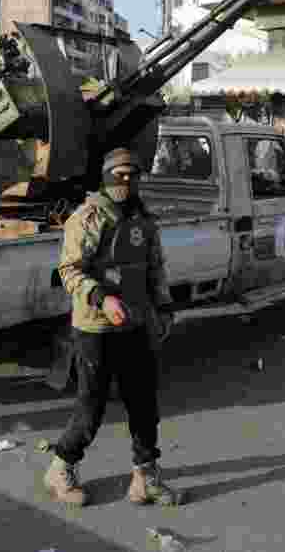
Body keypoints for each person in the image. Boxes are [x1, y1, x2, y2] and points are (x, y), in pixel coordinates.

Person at [44, 148, 182, 508]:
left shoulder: (143, 219)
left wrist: (164, 307)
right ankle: (61, 467)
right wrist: (102, 298)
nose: (126, 181)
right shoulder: (88, 217)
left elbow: (155, 268)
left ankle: (145, 477)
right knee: (91, 408)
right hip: (95, 328)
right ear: (106, 177)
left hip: (136, 323)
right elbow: (69, 270)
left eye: (133, 174)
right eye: (119, 174)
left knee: (143, 404)